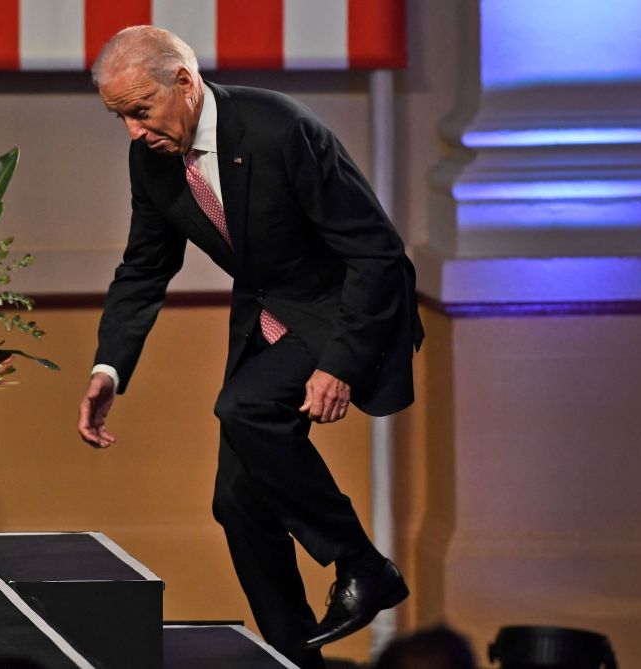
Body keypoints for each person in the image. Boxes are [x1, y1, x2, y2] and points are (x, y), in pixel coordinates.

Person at [77, 26, 423, 669]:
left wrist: (339, 364)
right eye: (118, 117)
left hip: (343, 304)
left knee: (244, 407)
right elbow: (145, 266)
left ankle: (362, 564)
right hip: (271, 312)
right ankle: (296, 656)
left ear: (185, 82)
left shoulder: (278, 128)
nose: (131, 131)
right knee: (237, 501)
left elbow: (376, 252)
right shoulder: (151, 158)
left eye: (139, 111)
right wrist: (110, 366)